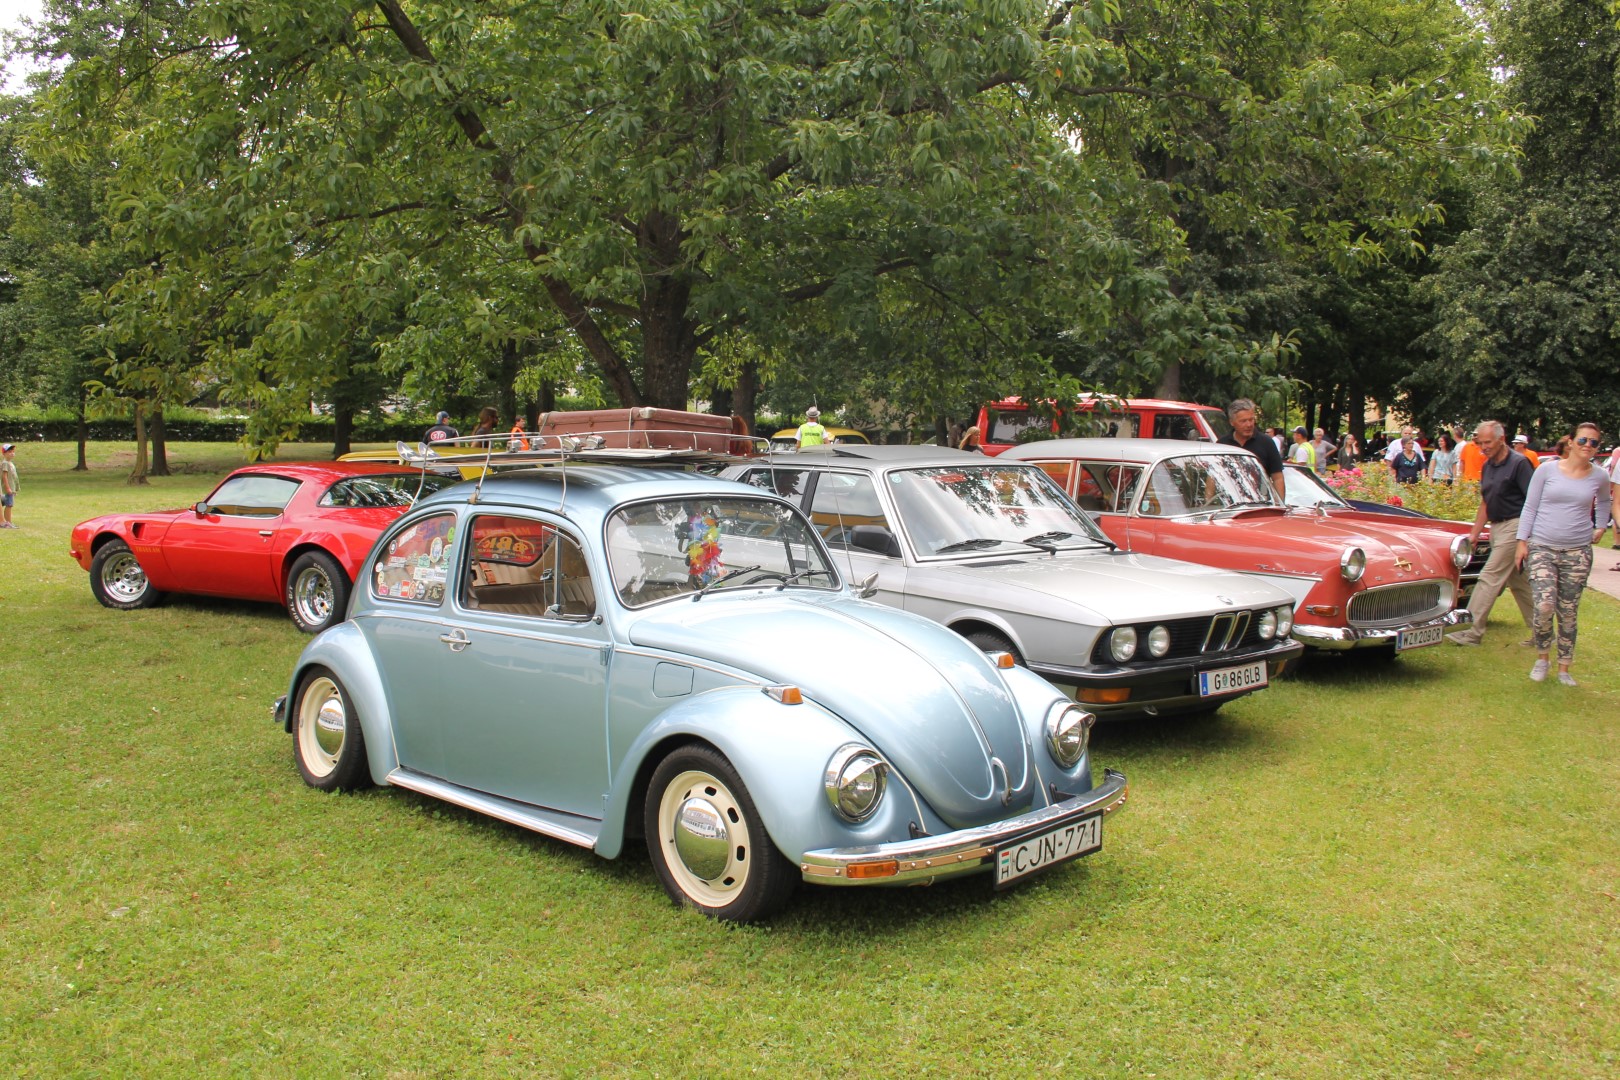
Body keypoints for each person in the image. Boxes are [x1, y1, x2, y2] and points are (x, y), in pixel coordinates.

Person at [1516, 422, 1611, 686]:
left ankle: (1564, 668)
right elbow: (1530, 506)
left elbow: (1604, 501)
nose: (1588, 446)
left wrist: (1601, 525)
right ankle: (1542, 657)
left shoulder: (1599, 476)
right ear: (1570, 442)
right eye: (1583, 440)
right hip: (1542, 547)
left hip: (1577, 551)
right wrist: (1521, 541)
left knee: (1568, 611)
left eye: (1594, 443)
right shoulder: (1547, 470)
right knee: (1544, 605)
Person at [1446, 421, 1535, 647]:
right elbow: (1486, 502)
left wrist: (1524, 537)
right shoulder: (1487, 466)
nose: (1483, 447)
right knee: (1520, 583)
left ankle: (1471, 631)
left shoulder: (1519, 463)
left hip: (1515, 526)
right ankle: (1542, 632)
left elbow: (1533, 502)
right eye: (1480, 443)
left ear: (1501, 439)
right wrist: (1474, 534)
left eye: (1487, 443)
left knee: (1489, 577)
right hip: (1496, 527)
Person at [1218, 398, 1286, 500]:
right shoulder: (1222, 444)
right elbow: (1213, 479)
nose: (1249, 425)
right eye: (1243, 421)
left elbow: (1278, 478)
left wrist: (1280, 506)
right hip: (1230, 506)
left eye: (1251, 419)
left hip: (1260, 506)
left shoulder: (1266, 442)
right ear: (1232, 422)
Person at [0, 443, 17, 528]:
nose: (12, 453)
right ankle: (8, 522)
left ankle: (8, 521)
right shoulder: (5, 463)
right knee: (9, 505)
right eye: (9, 451)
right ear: (4, 453)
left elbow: (14, 478)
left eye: (13, 451)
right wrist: (8, 488)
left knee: (10, 504)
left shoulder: (10, 463)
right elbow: (4, 477)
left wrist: (15, 489)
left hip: (11, 488)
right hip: (8, 489)